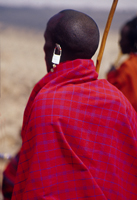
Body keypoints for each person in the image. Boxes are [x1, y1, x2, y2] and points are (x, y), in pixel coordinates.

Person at [12, 9, 137, 200]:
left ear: (56, 51)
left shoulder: (47, 104)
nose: (43, 51)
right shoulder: (118, 101)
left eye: (46, 44)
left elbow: (38, 184)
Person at [107, 16, 137, 112]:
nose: (119, 42)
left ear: (133, 42)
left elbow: (114, 94)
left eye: (123, 38)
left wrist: (111, 75)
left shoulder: (128, 66)